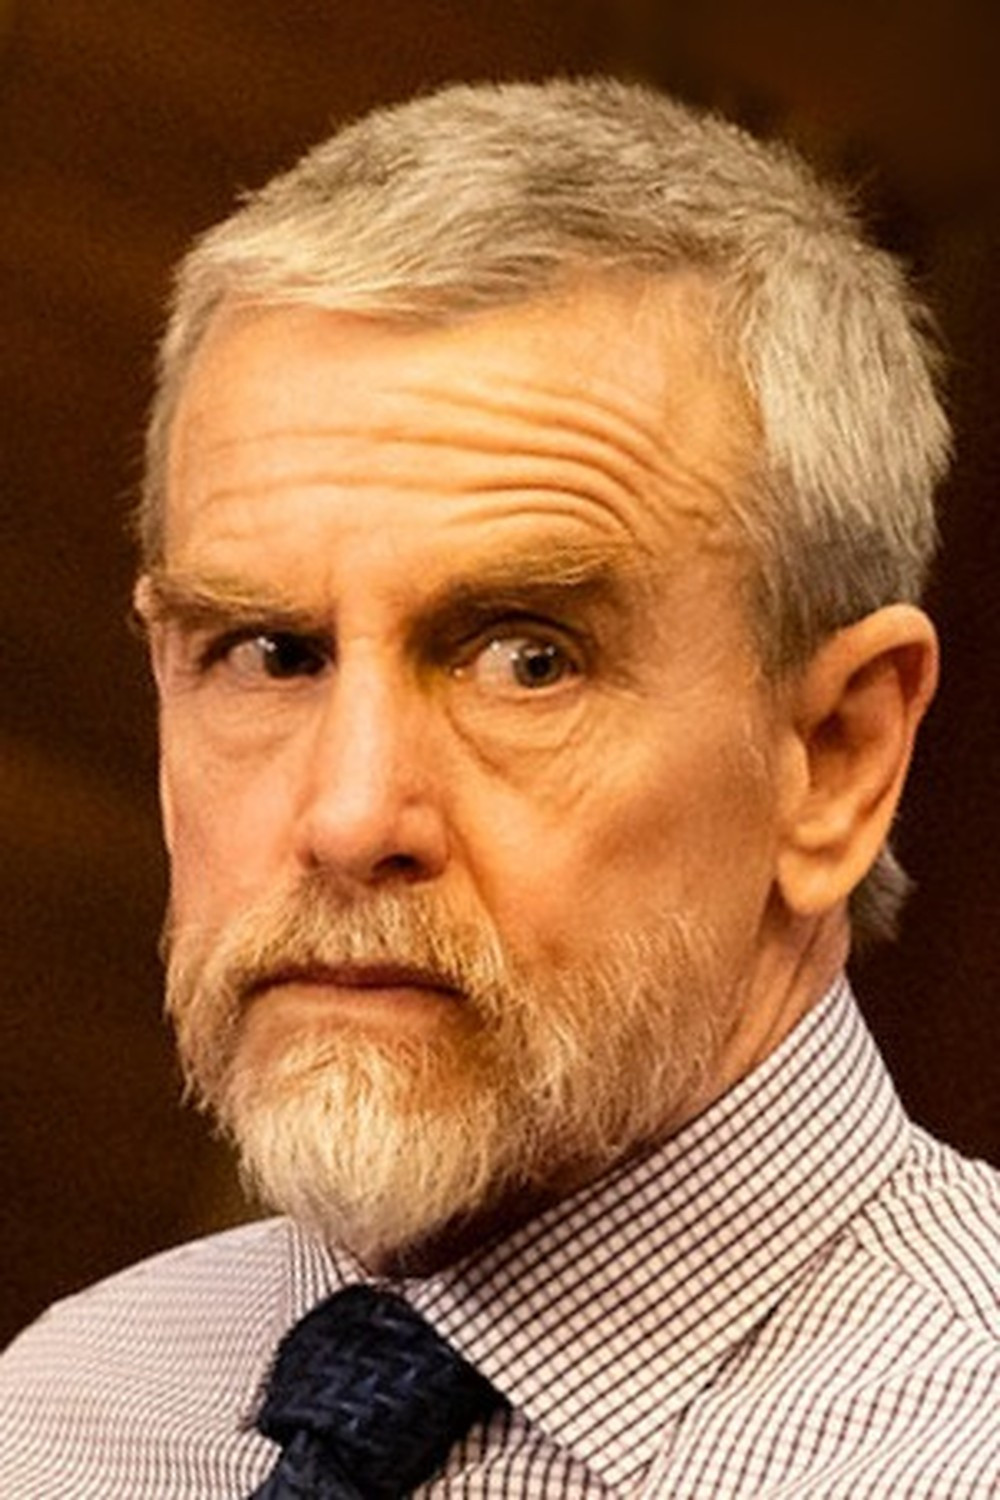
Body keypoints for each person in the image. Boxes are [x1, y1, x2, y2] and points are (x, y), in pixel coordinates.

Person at [1, 76, 997, 1499]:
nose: (351, 819)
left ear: (837, 757)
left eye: (528, 659)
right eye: (270, 652)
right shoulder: (65, 1414)